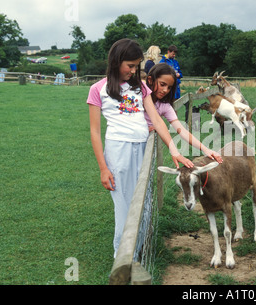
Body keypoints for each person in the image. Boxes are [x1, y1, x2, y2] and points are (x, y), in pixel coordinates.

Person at [87, 39, 193, 257]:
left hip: (142, 150)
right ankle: (123, 258)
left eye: (137, 66)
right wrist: (103, 168)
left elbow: (156, 118)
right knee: (125, 207)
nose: (134, 70)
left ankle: (140, 248)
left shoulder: (140, 87)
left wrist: (174, 149)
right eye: (131, 66)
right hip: (118, 151)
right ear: (116, 61)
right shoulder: (98, 89)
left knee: (142, 199)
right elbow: (95, 132)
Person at [146, 63, 223, 163]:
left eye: (169, 87)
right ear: (150, 80)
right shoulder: (137, 96)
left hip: (147, 148)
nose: (165, 90)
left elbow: (182, 130)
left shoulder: (164, 106)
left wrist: (205, 149)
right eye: (162, 84)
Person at [160, 45, 187, 119]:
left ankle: (173, 124)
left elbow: (181, 74)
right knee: (165, 106)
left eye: (175, 54)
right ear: (168, 52)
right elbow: (160, 74)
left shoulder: (175, 62)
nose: (174, 55)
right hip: (168, 88)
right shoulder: (163, 61)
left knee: (175, 106)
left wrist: (179, 74)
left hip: (176, 88)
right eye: (173, 54)